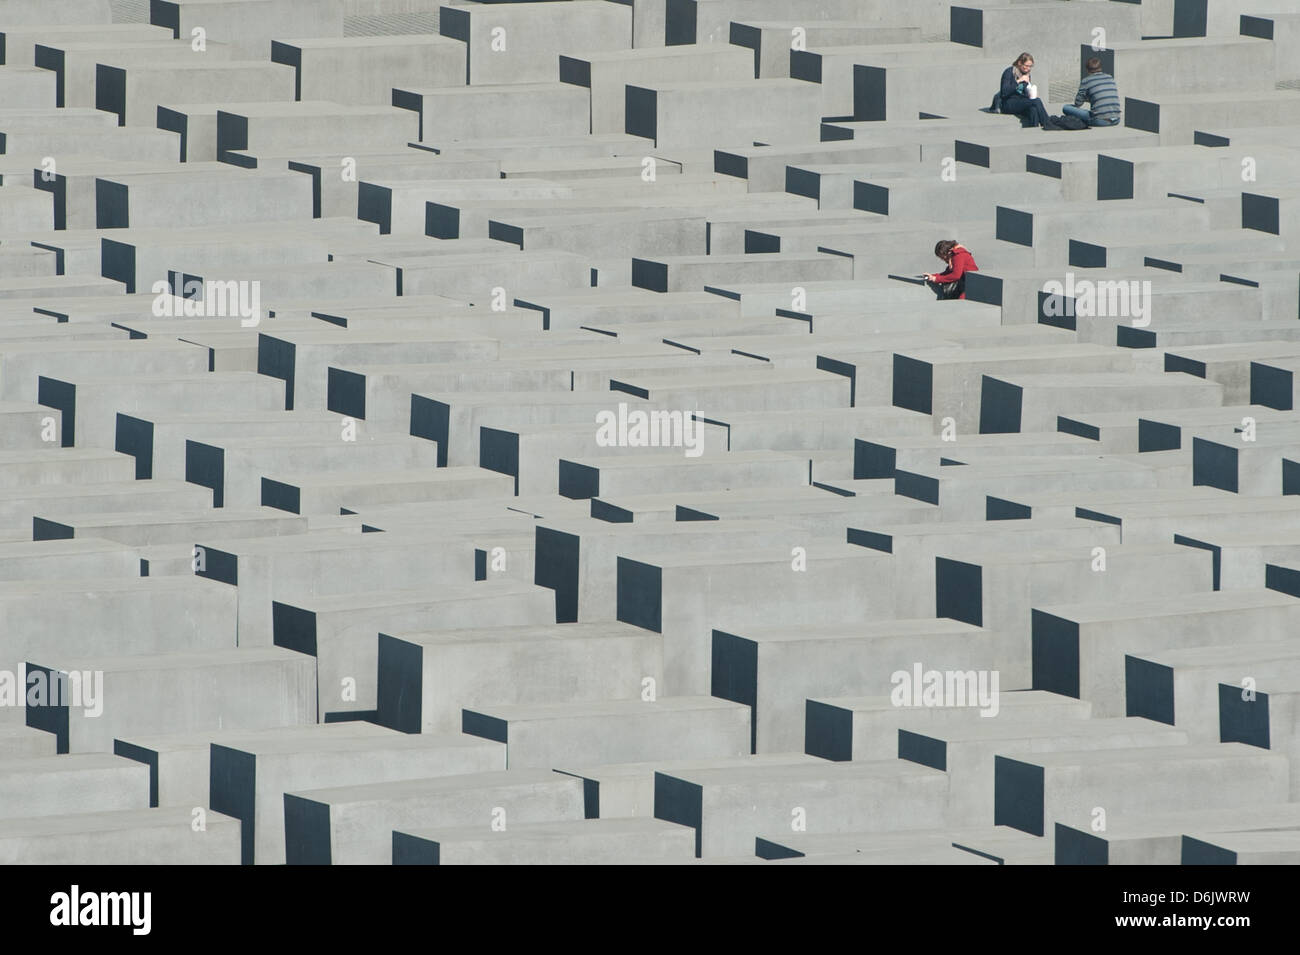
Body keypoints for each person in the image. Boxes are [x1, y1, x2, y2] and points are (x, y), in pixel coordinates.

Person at [1000, 52, 1052, 130]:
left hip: (1020, 101)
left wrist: (1031, 93)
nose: (1028, 69)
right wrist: (1018, 81)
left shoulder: (1026, 74)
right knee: (1037, 101)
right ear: (1020, 63)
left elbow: (1023, 91)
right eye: (1026, 66)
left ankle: (1033, 131)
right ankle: (1047, 123)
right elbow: (1004, 92)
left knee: (1033, 109)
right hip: (1008, 103)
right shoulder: (1009, 72)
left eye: (1030, 66)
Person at [1065, 57, 1121, 127]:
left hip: (1100, 121)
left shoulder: (1086, 81)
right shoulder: (1110, 77)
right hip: (1116, 119)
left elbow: (1078, 103)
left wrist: (1088, 98)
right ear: (1101, 68)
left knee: (1066, 108)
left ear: (1087, 70)